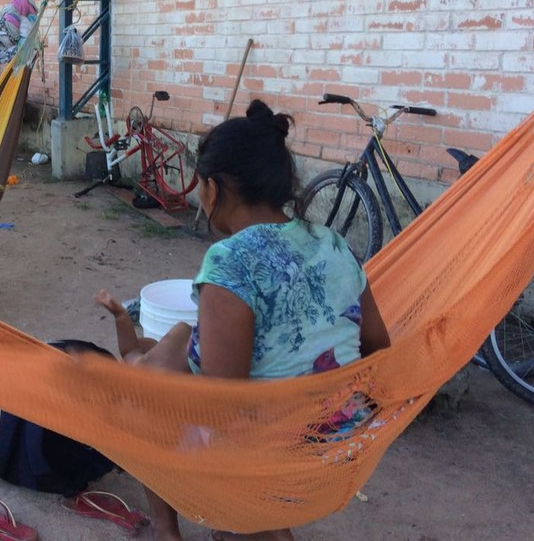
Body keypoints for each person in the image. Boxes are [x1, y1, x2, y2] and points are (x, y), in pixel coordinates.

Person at [96, 99, 390, 541]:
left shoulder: (230, 262)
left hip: (276, 450)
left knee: (140, 399)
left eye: (198, 186)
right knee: (178, 342)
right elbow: (378, 348)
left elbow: (221, 408)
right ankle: (244, 526)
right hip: (345, 438)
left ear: (214, 189)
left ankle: (172, 530)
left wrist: (163, 372)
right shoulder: (333, 244)